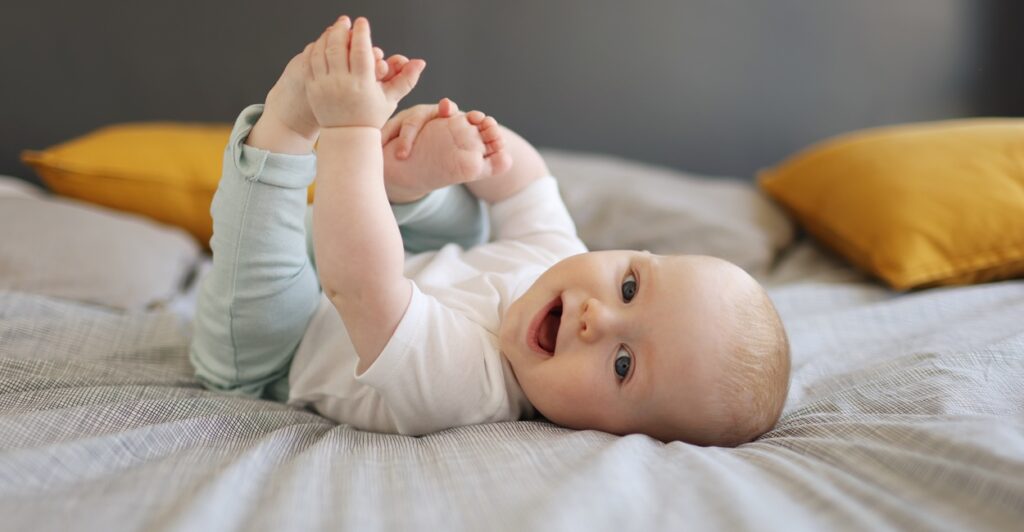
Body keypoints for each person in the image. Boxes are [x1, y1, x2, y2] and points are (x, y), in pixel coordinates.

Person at [190, 15, 790, 447]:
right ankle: (404, 184)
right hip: (359, 262)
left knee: (278, 270)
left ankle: (288, 130)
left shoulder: (468, 389)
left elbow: (361, 287)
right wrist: (486, 151)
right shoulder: (563, 256)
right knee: (473, 215)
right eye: (630, 288)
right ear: (634, 254)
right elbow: (528, 185)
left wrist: (350, 132)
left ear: (618, 436)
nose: (598, 319)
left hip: (278, 353)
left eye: (624, 364)